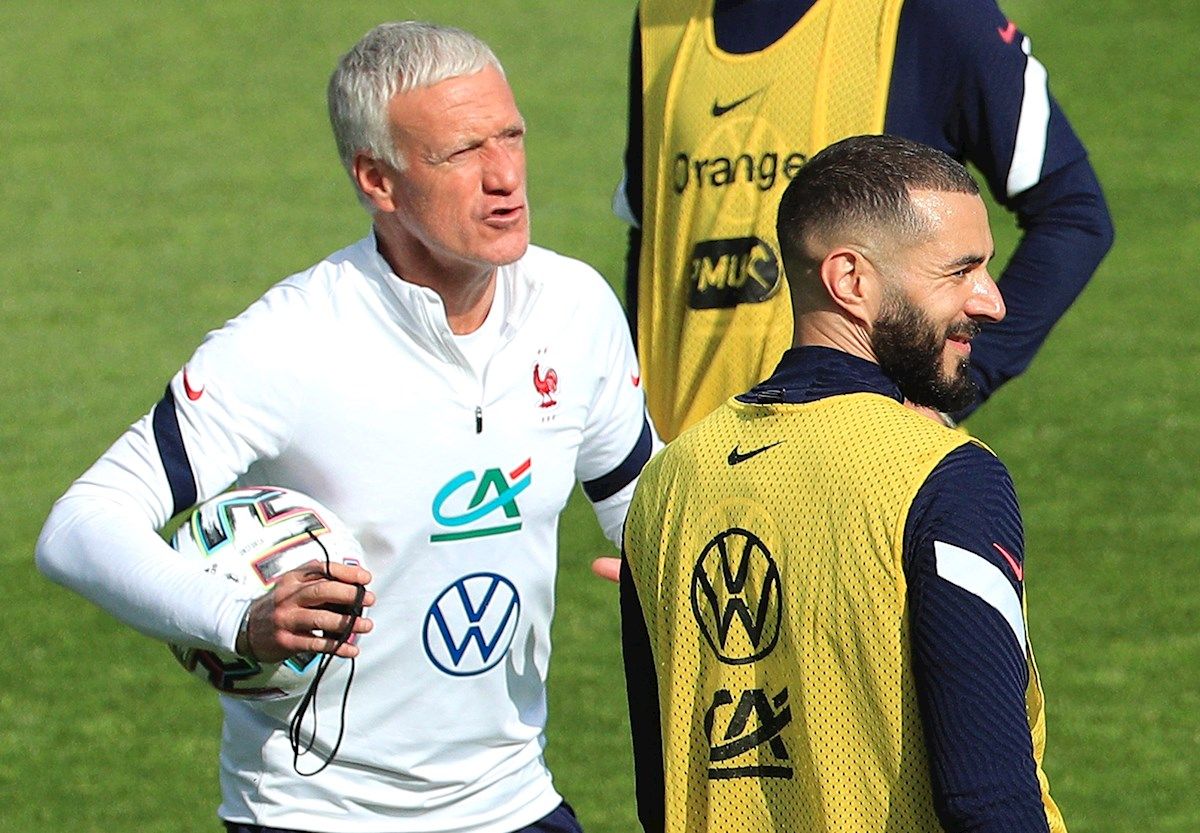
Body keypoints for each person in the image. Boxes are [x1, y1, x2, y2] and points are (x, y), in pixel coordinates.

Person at [36, 21, 656, 833]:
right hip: (318, 812)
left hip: (515, 800)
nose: (505, 176)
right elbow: (79, 526)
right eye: (462, 152)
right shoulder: (289, 342)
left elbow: (646, 508)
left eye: (511, 136)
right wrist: (238, 620)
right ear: (379, 179)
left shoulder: (575, 311)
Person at [620, 135, 1068, 832]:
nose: (994, 302)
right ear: (851, 280)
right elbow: (990, 797)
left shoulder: (665, 487)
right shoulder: (947, 479)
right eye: (961, 271)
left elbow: (663, 789)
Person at [616, 0, 1114, 440]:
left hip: (858, 470)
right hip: (681, 474)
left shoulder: (932, 13)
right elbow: (655, 236)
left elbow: (1072, 213)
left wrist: (948, 389)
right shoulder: (659, 18)